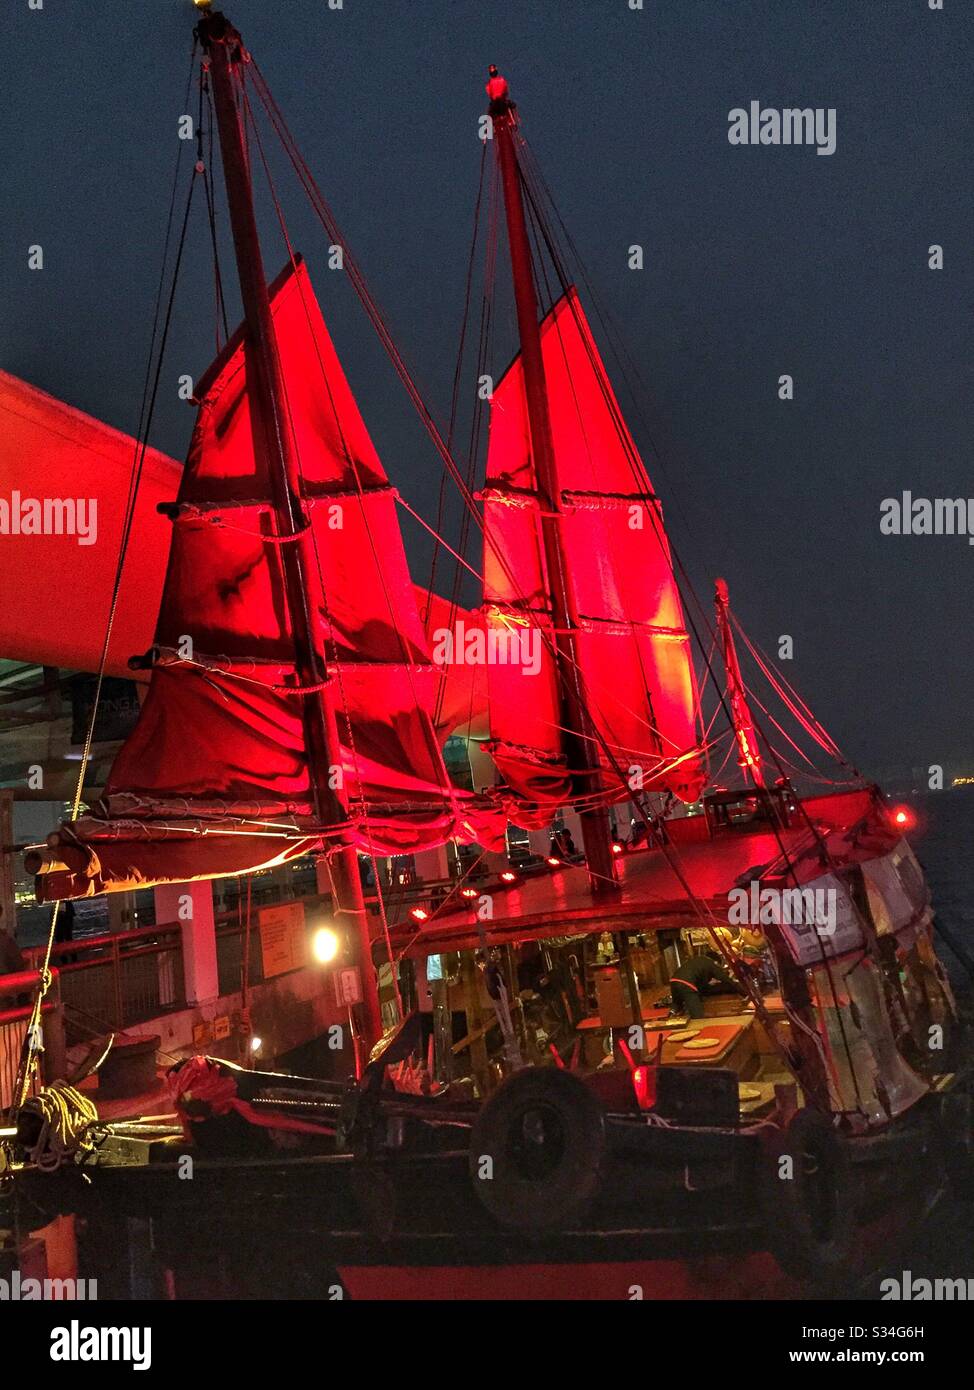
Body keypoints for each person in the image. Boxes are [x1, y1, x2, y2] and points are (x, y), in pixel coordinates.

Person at [669, 951, 745, 1020]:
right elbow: (725, 979)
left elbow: (701, 984)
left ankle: (671, 1013)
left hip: (674, 981)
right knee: (697, 1015)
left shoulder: (697, 961)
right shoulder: (710, 963)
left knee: (677, 1003)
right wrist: (742, 990)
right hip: (687, 983)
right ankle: (700, 1031)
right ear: (716, 962)